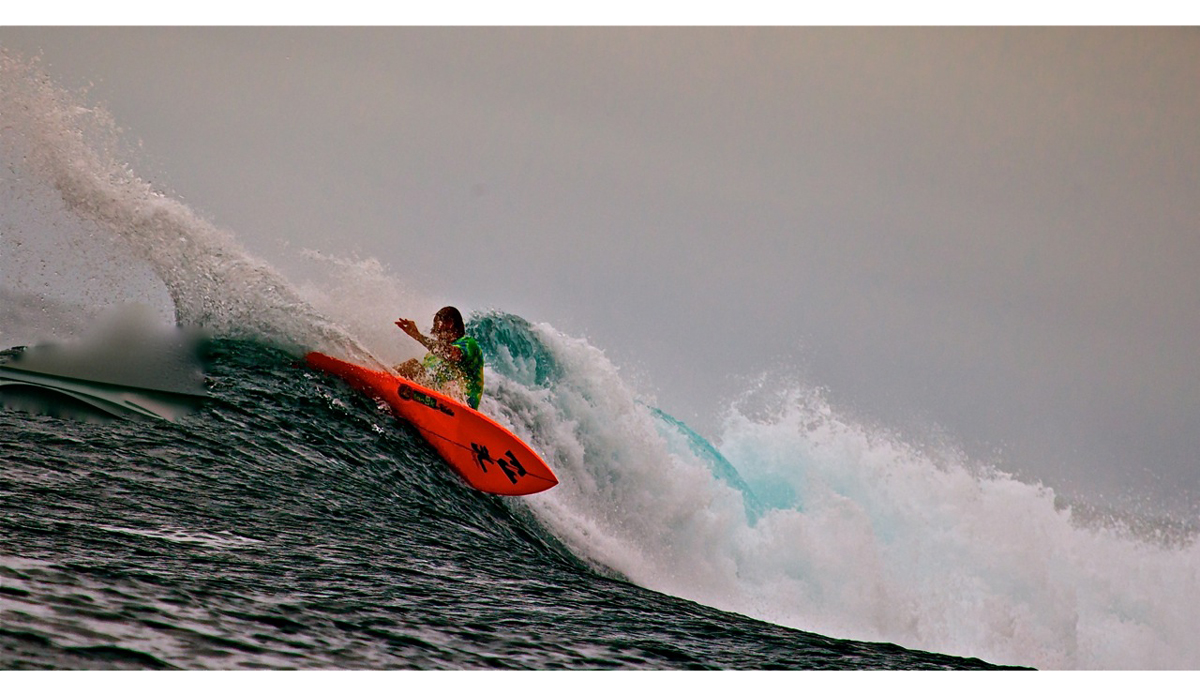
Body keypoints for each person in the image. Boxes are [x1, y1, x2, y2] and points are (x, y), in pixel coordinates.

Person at [394, 306, 484, 409]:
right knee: (414, 370)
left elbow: (450, 354)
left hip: (463, 406)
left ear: (449, 324)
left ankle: (382, 379)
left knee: (413, 366)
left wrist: (418, 336)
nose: (436, 334)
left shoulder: (468, 344)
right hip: (434, 403)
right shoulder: (431, 357)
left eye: (437, 329)